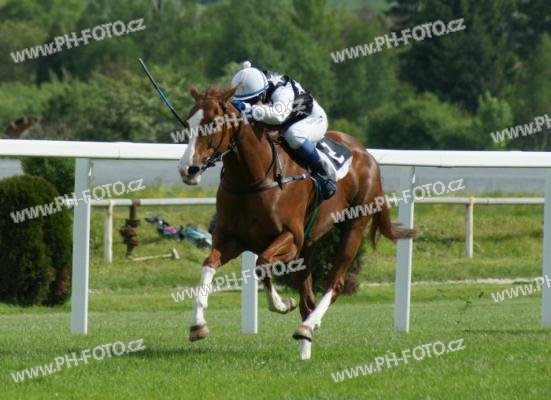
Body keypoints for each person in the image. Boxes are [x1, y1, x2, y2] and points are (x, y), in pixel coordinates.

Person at [230, 61, 336, 200]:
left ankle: (323, 173)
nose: (249, 103)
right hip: (286, 121)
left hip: (311, 119)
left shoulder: (282, 91)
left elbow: (278, 116)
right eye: (245, 101)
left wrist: (248, 108)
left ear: (262, 94)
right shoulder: (256, 85)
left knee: (293, 135)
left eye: (252, 100)